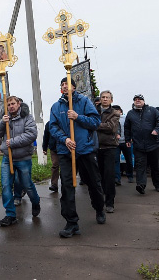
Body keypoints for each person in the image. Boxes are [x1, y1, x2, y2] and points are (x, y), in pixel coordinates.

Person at [50, 77, 104, 238]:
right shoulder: (56, 106)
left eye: (67, 84)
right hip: (66, 151)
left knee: (93, 182)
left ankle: (99, 208)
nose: (64, 86)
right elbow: (53, 126)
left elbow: (95, 122)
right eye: (62, 85)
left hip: (85, 150)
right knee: (67, 186)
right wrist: (64, 139)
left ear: (74, 87)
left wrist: (77, 117)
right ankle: (71, 222)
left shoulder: (84, 102)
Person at [0, 96, 40, 226]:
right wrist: (3, 122)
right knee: (6, 186)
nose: (11, 107)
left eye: (13, 104)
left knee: (27, 184)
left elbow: (31, 135)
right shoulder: (5, 118)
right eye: (9, 105)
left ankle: (35, 201)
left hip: (23, 158)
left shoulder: (27, 117)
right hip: (7, 158)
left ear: (19, 104)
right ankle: (10, 214)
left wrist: (12, 142)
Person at [124, 94, 159, 194]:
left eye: (140, 99)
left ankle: (157, 184)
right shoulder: (130, 113)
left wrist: (156, 130)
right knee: (140, 165)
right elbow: (127, 128)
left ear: (144, 101)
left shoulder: (152, 110)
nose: (138, 101)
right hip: (138, 145)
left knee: (155, 166)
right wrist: (127, 140)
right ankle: (141, 185)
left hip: (153, 144)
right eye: (136, 100)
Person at [96, 90, 120, 213]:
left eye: (107, 97)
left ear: (111, 100)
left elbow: (111, 128)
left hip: (109, 147)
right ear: (100, 99)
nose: (105, 99)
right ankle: (99, 200)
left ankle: (110, 202)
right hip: (96, 147)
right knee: (98, 176)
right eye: (103, 97)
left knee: (109, 175)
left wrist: (95, 124)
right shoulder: (94, 110)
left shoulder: (115, 113)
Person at [113, 105, 134, 184]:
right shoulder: (112, 119)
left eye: (116, 111)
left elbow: (131, 128)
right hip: (116, 142)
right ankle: (117, 178)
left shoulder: (125, 118)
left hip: (126, 141)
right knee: (116, 160)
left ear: (120, 111)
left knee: (129, 159)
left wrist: (130, 138)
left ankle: (130, 176)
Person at [42, 120, 59, 192]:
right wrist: (44, 148)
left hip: (65, 148)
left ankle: (66, 183)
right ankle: (54, 184)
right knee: (55, 165)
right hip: (54, 148)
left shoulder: (64, 121)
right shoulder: (49, 124)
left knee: (66, 167)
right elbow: (46, 136)